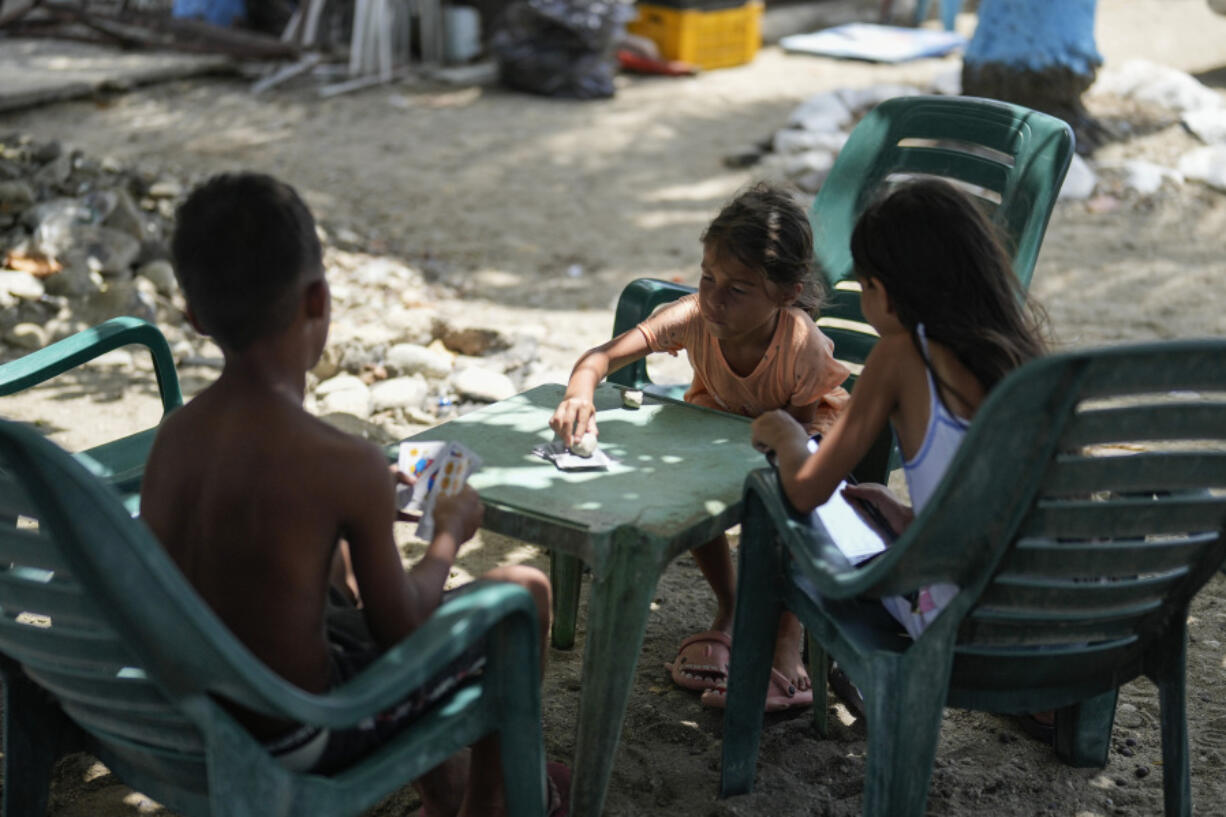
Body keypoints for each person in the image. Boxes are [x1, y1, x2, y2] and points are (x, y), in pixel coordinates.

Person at [141, 172, 567, 817]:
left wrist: (356, 506)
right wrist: (449, 532)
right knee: (525, 593)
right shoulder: (344, 464)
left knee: (339, 565)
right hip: (305, 732)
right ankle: (490, 803)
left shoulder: (173, 438)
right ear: (318, 300)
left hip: (201, 715)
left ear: (195, 315)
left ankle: (444, 795)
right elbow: (403, 629)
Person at [550, 182, 851, 711]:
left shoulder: (800, 343)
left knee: (788, 508)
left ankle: (787, 642)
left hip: (794, 438)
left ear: (784, 294)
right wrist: (579, 391)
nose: (714, 298)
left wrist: (764, 457)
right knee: (686, 483)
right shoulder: (692, 317)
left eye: (737, 289)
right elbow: (601, 357)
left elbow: (795, 441)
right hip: (723, 422)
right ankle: (731, 605)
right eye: (708, 277)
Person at [749, 176, 1047, 646]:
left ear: (883, 291)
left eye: (863, 285)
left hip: (964, 630)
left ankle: (780, 664)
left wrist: (786, 434)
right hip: (1061, 622)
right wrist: (911, 519)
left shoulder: (900, 355)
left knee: (791, 522)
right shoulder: (1024, 358)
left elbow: (807, 491)